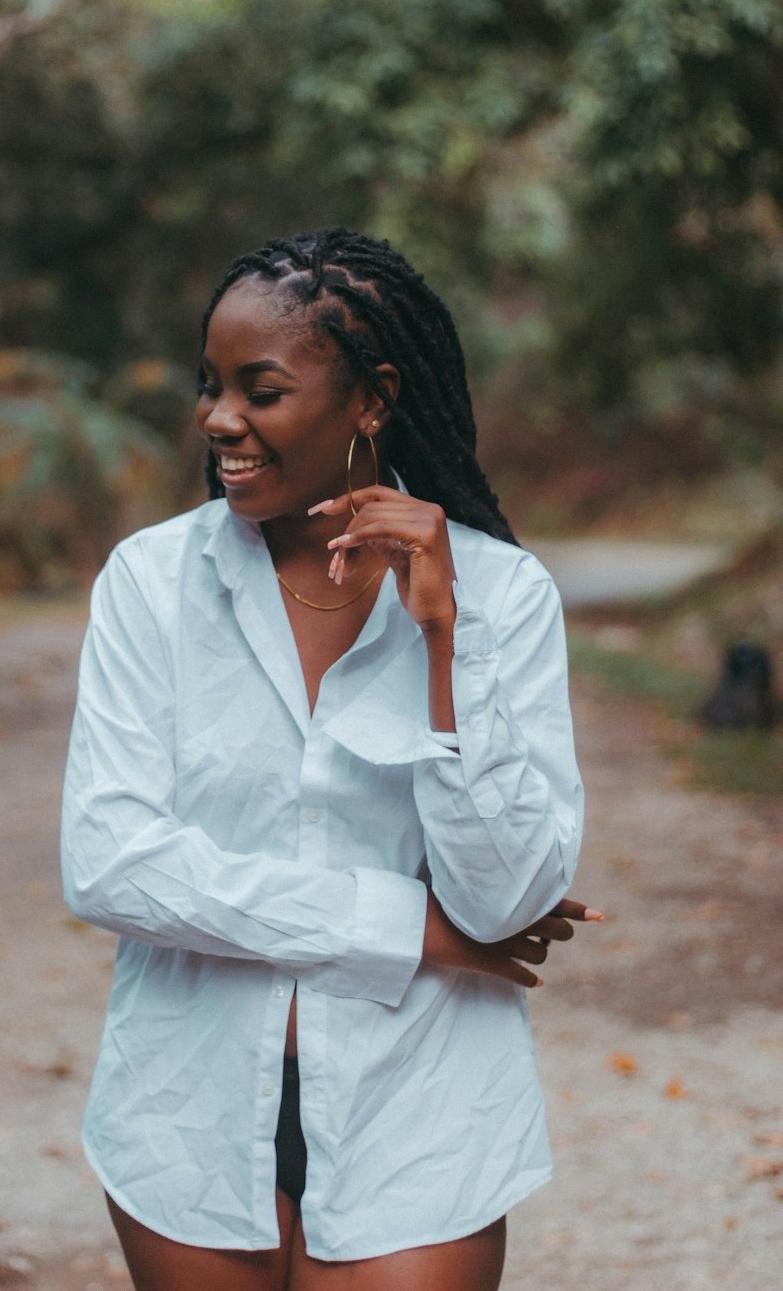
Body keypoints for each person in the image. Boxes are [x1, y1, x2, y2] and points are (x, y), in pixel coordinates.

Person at [61, 227, 596, 1291]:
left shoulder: (501, 596)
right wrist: (408, 930)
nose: (218, 419)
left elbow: (506, 901)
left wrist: (447, 639)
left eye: (260, 389)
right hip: (187, 1108)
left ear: (370, 398)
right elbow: (111, 861)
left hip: (421, 1108)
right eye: (210, 384)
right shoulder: (150, 582)